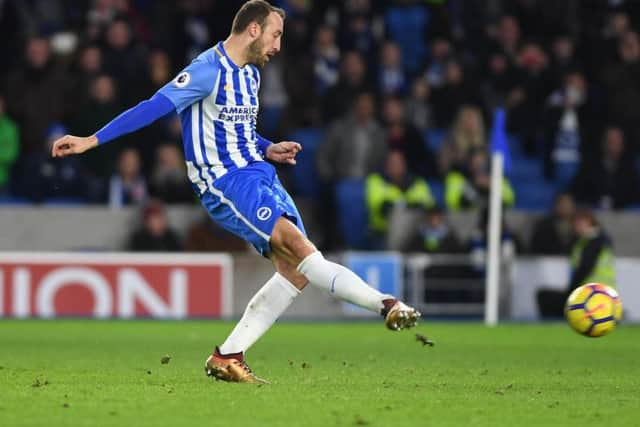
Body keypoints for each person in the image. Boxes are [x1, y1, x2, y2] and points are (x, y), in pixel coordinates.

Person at [50, 0, 420, 384]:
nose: (278, 46)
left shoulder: (251, 76)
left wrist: (267, 147)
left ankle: (227, 355)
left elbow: (237, 129)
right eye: (276, 35)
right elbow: (152, 107)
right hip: (225, 181)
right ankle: (386, 304)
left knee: (294, 270)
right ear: (254, 29)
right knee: (301, 248)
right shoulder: (206, 70)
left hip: (259, 173)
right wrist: (91, 140)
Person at [537, 210, 616, 318]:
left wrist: (571, 291)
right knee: (545, 295)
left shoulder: (596, 241)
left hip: (593, 293)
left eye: (579, 223)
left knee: (544, 297)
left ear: (589, 222)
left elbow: (585, 268)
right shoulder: (581, 242)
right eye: (574, 224)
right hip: (591, 291)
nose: (576, 227)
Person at [365, 150, 434, 246]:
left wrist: (401, 205)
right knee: (398, 219)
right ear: (386, 166)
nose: (397, 166)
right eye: (393, 163)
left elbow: (428, 205)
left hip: (416, 232)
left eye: (400, 163)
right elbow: (381, 206)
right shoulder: (375, 180)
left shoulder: (417, 181)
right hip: (383, 231)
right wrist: (409, 205)